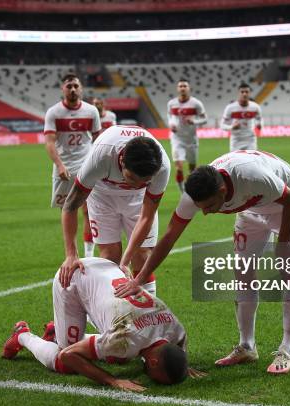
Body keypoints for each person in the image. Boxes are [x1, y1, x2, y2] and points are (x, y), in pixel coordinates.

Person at [115, 150, 290, 375]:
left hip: (287, 204)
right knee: (243, 273)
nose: (205, 213)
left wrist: (283, 243)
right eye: (201, 207)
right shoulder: (194, 195)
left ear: (222, 191)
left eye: (209, 206)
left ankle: (286, 349)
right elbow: (169, 236)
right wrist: (139, 279)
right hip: (250, 208)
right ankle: (247, 346)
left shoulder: (251, 176)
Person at [1, 257, 206, 391]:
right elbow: (69, 355)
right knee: (65, 363)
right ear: (153, 363)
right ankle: (23, 335)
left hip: (106, 268)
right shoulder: (125, 339)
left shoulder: (175, 330)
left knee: (118, 356)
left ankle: (55, 333)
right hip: (72, 278)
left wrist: (180, 365)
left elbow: (179, 348)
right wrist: (112, 380)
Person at [59, 125, 170, 295]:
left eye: (145, 181)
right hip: (103, 195)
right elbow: (70, 205)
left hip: (139, 199)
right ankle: (112, 314)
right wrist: (71, 254)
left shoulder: (162, 167)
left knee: (142, 255)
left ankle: (147, 315)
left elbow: (147, 216)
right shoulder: (101, 156)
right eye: (131, 178)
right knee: (109, 256)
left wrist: (125, 262)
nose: (135, 184)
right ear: (121, 161)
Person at [44, 74, 101, 257]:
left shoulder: (91, 111)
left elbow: (98, 139)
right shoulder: (54, 112)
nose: (73, 89)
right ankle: (71, 253)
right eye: (69, 86)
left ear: (81, 88)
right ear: (63, 89)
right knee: (67, 210)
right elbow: (50, 142)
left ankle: (89, 255)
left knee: (87, 209)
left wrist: (98, 163)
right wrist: (59, 165)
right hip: (64, 168)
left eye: (76, 86)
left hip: (86, 164)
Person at [167, 79, 207, 192]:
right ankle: (182, 192)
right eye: (180, 86)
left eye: (185, 86)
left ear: (189, 88)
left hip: (191, 139)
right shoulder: (171, 103)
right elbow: (169, 117)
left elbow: (204, 119)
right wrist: (171, 125)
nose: (182, 88)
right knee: (179, 167)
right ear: (177, 89)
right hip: (177, 139)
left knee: (192, 169)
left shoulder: (196, 103)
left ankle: (190, 189)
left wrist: (194, 121)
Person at [221, 83, 262, 151]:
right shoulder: (230, 108)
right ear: (238, 93)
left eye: (246, 92)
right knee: (236, 161)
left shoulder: (255, 107)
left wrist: (259, 125)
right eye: (242, 92)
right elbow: (222, 125)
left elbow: (259, 120)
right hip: (236, 140)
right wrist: (232, 127)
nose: (244, 94)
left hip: (250, 139)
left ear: (250, 93)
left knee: (251, 160)